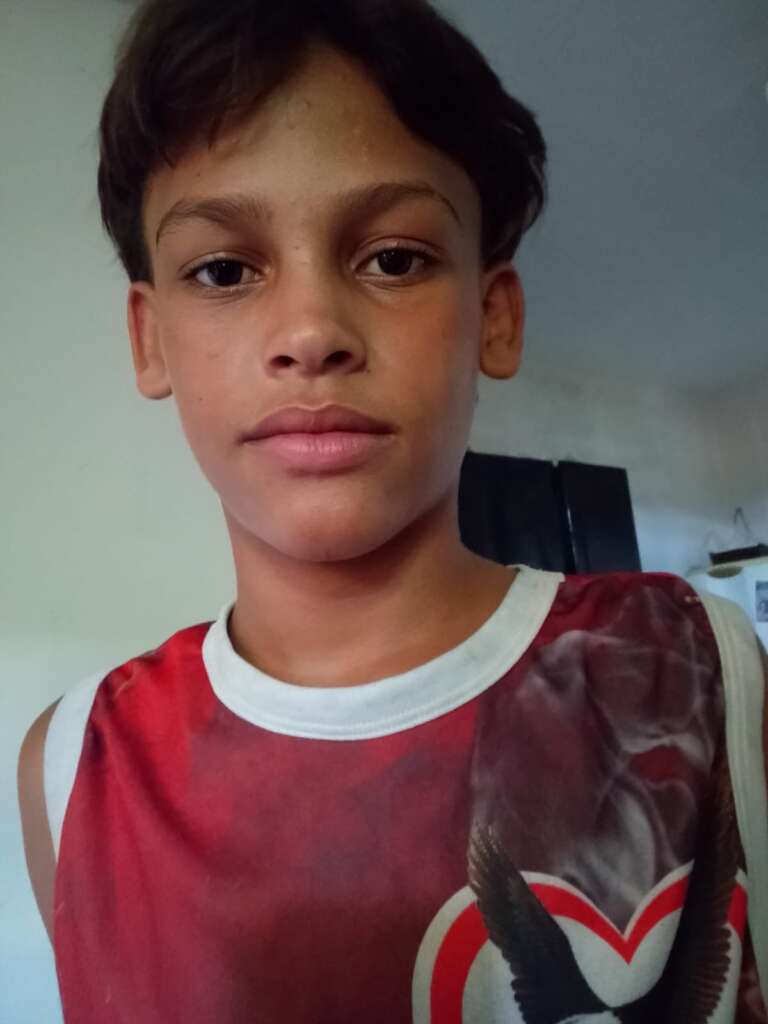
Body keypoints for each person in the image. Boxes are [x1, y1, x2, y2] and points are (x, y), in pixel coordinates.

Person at [16, 0, 768, 1020]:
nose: (312, 330)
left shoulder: (701, 667)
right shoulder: (71, 768)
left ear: (493, 317)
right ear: (151, 340)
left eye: (395, 258)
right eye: (225, 270)